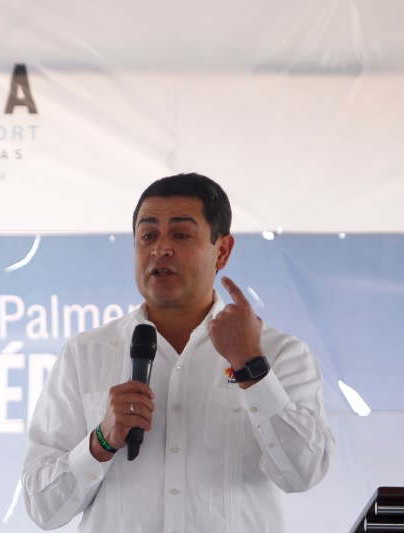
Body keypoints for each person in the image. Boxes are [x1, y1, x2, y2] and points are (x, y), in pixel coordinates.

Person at [21, 173, 334, 532]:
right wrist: (101, 440)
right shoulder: (84, 354)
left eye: (181, 234)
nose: (160, 249)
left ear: (223, 250)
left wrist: (251, 367)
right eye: (148, 235)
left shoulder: (279, 353)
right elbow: (42, 507)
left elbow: (302, 473)